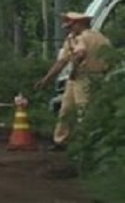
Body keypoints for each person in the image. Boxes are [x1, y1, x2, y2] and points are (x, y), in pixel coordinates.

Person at [35, 11, 111, 151]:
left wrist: (74, 70)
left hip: (84, 77)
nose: (68, 28)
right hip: (86, 77)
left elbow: (79, 54)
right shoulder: (94, 38)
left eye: (71, 25)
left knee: (84, 110)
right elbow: (61, 62)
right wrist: (47, 79)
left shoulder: (84, 38)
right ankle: (62, 140)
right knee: (66, 109)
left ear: (80, 24)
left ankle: (86, 144)